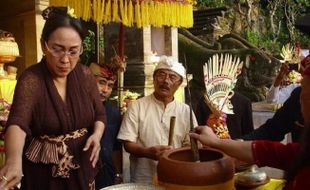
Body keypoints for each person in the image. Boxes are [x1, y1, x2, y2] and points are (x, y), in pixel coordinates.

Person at [0, 7, 106, 190]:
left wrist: (96, 135)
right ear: (44, 45)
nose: (65, 59)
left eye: (73, 51)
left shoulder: (84, 74)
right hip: (43, 171)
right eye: (58, 50)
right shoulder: (32, 78)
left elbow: (99, 114)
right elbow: (18, 122)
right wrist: (13, 160)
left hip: (82, 165)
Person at [190, 59, 310, 190]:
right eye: (303, 87)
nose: (302, 98)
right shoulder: (203, 102)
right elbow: (271, 139)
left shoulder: (242, 102)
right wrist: (222, 143)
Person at [117, 56, 197, 183]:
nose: (166, 81)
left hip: (175, 175)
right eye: (161, 75)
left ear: (179, 83)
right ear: (154, 79)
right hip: (143, 176)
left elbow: (192, 145)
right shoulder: (137, 106)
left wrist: (174, 154)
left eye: (172, 77)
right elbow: (127, 143)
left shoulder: (186, 111)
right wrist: (147, 152)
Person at [89, 63, 123, 189]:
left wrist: (118, 173)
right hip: (79, 170)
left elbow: (115, 148)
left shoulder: (113, 112)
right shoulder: (78, 109)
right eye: (101, 83)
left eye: (110, 86)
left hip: (105, 171)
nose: (105, 90)